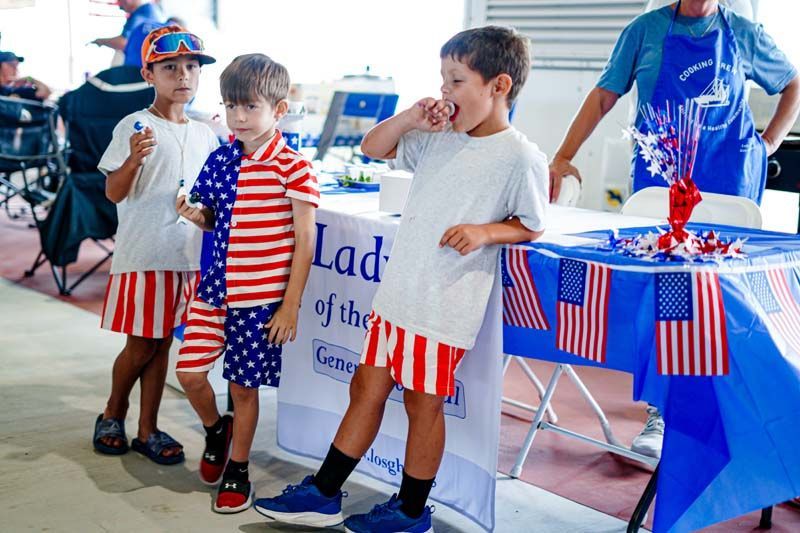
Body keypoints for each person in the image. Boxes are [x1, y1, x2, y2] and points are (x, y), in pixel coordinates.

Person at [254, 26, 548, 532]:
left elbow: (532, 223)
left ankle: (412, 512)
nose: (444, 92)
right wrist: (412, 117)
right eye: (442, 79)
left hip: (443, 303)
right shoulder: (439, 137)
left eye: (456, 81)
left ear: (498, 86)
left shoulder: (521, 156)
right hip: (399, 295)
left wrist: (484, 231)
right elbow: (373, 146)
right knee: (365, 386)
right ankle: (325, 492)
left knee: (422, 403)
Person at [548, 0, 800, 460]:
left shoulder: (744, 33)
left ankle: (725, 407)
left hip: (727, 179)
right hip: (661, 181)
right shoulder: (645, 30)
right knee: (665, 292)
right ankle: (661, 409)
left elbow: (792, 83)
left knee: (723, 296)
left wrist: (767, 144)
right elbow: (604, 94)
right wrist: (564, 155)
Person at [174, 53, 320, 514]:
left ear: (278, 110)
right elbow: (214, 218)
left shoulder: (294, 167)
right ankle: (218, 429)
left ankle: (237, 466)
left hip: (260, 303)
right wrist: (198, 216)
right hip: (214, 291)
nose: (238, 117)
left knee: (243, 388)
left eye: (249, 107)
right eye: (231, 106)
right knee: (191, 373)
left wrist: (290, 305)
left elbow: (305, 240)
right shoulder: (220, 160)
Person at [92, 25, 218, 464]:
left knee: (163, 342)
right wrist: (132, 159)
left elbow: (211, 198)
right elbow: (113, 192)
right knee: (141, 343)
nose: (182, 75)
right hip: (145, 254)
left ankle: (148, 429)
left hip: (186, 257)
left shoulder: (205, 134)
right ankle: (113, 411)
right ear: (149, 74)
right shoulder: (136, 125)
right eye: (169, 68)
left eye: (190, 67)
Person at [93, 0, 165, 66]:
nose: (120, 7)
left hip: (137, 71)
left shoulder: (141, 15)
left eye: (120, 1)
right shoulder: (152, 12)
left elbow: (123, 43)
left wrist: (100, 41)